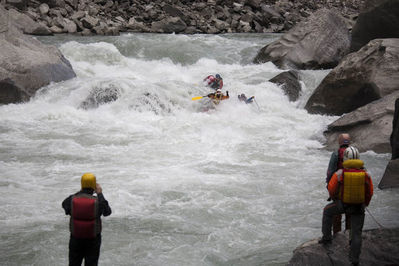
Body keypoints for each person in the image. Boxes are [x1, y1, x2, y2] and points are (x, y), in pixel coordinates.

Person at [319, 146, 373, 266]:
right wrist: (365, 204)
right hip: (359, 207)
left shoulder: (339, 174)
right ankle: (354, 260)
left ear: (345, 159)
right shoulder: (366, 174)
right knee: (356, 233)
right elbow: (369, 192)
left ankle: (327, 238)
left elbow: (331, 190)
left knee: (327, 211)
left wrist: (336, 199)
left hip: (342, 205)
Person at [62, 173, 112, 266]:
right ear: (94, 185)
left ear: (81, 185)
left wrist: (80, 192)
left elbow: (65, 206)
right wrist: (100, 193)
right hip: (93, 241)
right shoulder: (98, 202)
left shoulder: (71, 199)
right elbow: (107, 212)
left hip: (76, 240)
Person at [326, 133, 351, 234]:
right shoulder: (354, 153)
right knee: (350, 211)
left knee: (336, 213)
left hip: (339, 186)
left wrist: (329, 186)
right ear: (349, 142)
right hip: (352, 187)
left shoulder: (336, 154)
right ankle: (349, 234)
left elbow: (330, 172)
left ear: (339, 142)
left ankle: (337, 235)